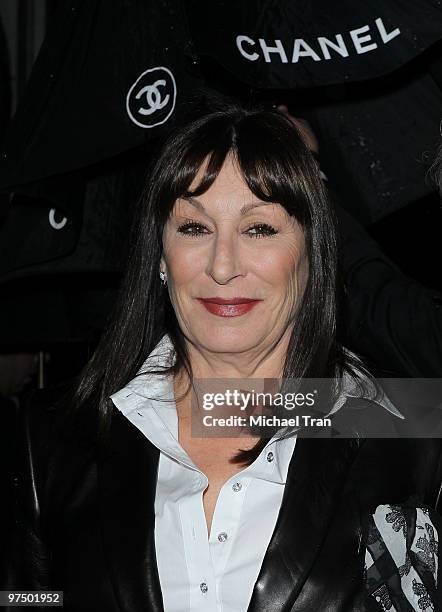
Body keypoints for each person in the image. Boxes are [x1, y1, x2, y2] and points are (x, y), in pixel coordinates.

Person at [4, 101, 442, 612]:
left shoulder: (416, 437)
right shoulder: (44, 439)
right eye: (194, 228)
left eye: (259, 229)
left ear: (312, 253)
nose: (223, 265)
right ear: (161, 257)